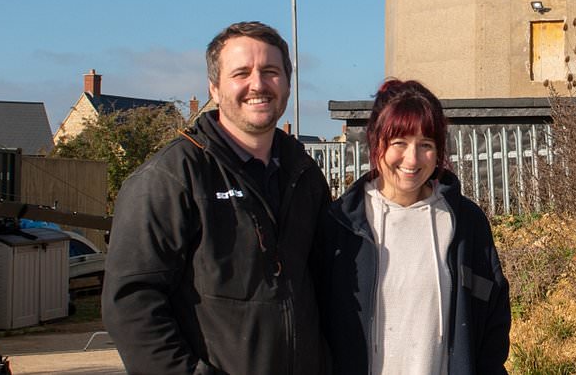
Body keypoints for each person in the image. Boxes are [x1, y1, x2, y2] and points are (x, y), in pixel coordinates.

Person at [103, 21, 330, 374]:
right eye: (242, 73)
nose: (258, 84)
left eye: (271, 71)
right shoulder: (171, 178)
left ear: (287, 83)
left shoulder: (305, 176)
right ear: (215, 87)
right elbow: (131, 303)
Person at [319, 79, 510, 374]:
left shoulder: (464, 223)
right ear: (375, 140)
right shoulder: (342, 224)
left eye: (426, 145)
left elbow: (491, 323)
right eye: (399, 143)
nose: (412, 159)